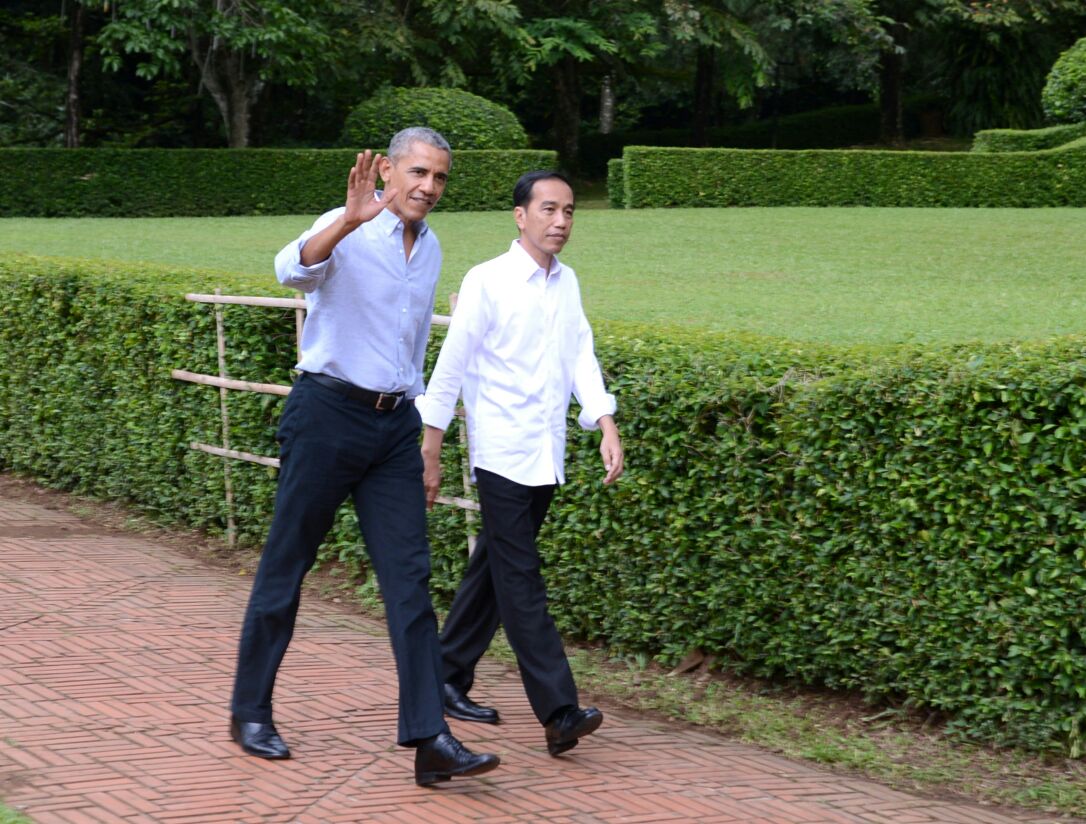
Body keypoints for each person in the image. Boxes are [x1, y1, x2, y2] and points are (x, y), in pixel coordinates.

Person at [229, 127, 499, 787]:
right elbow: (290, 269)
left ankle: (430, 737)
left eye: (439, 178)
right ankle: (249, 710)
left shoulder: (430, 249)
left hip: (391, 431)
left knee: (410, 584)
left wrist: (423, 437)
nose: (428, 188)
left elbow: (408, 352)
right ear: (387, 171)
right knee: (286, 568)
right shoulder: (350, 224)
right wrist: (345, 223)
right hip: (326, 416)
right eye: (418, 173)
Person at [417, 169, 624, 757]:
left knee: (492, 568)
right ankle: (558, 712)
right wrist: (430, 446)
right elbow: (451, 366)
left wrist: (604, 421)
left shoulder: (567, 283)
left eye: (569, 212)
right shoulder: (488, 281)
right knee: (520, 579)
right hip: (503, 455)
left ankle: (447, 676)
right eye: (549, 210)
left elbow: (581, 354)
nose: (561, 222)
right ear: (521, 215)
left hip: (546, 454)